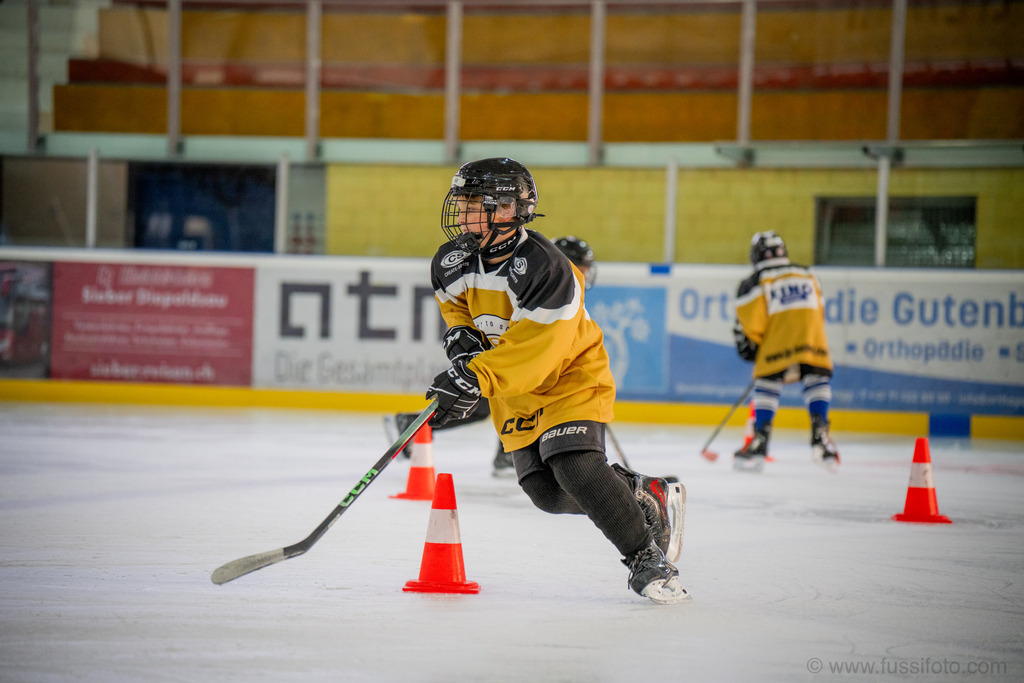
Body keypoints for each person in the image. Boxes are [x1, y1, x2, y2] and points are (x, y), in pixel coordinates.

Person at [423, 157, 688, 604]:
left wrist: (475, 377)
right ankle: (640, 493)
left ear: (508, 209)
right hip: (517, 391)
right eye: (461, 204)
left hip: (569, 376)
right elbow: (458, 311)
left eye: (473, 205)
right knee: (546, 492)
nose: (463, 216)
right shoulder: (451, 262)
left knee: (576, 466)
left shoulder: (547, 267)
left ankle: (646, 558)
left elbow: (536, 351)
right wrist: (463, 343)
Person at [387, 235, 598, 478]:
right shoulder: (539, 278)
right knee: (493, 401)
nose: (584, 275)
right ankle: (420, 424)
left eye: (585, 271)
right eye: (581, 269)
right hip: (505, 357)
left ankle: (418, 423)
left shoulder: (552, 282)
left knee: (496, 402)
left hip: (510, 359)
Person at [732, 230, 840, 473]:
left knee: (767, 381)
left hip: (777, 339)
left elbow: (751, 325)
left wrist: (755, 345)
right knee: (816, 378)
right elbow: (820, 311)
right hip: (812, 337)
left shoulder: (755, 280)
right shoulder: (808, 273)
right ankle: (820, 437)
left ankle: (760, 441)